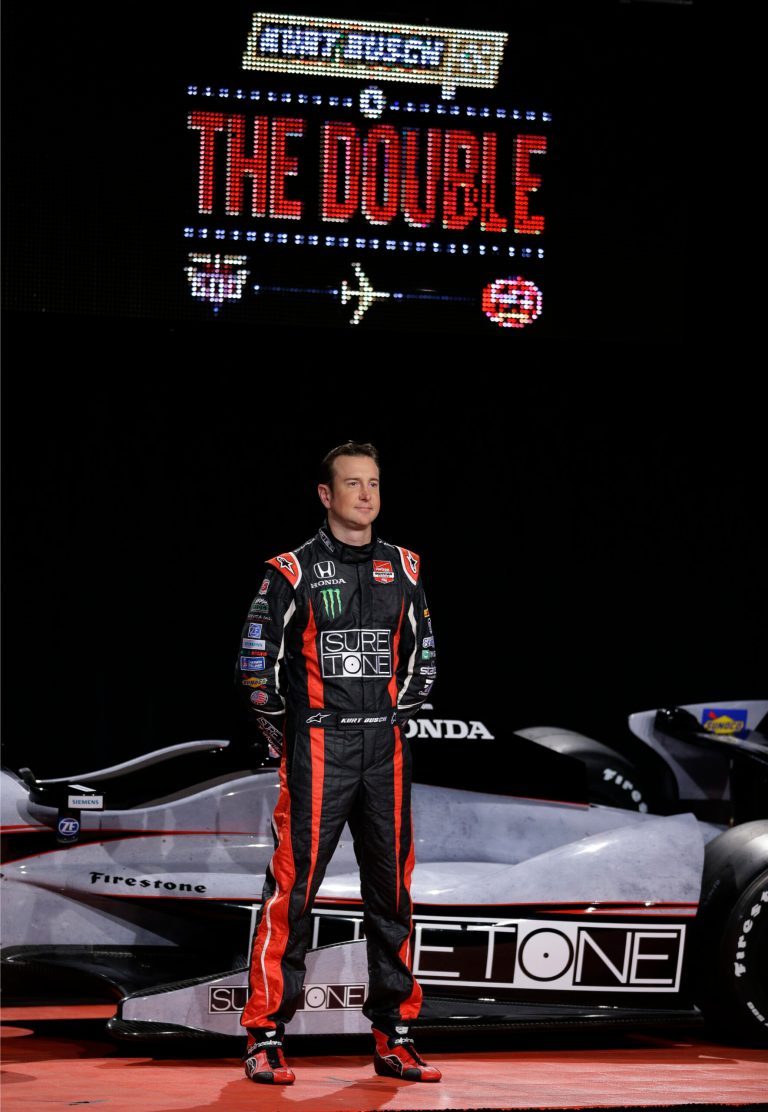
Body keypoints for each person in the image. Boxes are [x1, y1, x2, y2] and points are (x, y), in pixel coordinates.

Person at [236, 441, 440, 1085]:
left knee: (394, 897)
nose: (366, 495)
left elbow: (423, 662)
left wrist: (385, 717)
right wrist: (287, 736)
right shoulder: (289, 570)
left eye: (374, 483)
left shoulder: (404, 567)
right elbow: (254, 670)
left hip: (385, 748)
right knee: (291, 894)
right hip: (318, 747)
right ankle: (265, 1035)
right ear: (325, 495)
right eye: (352, 484)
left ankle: (395, 1034)